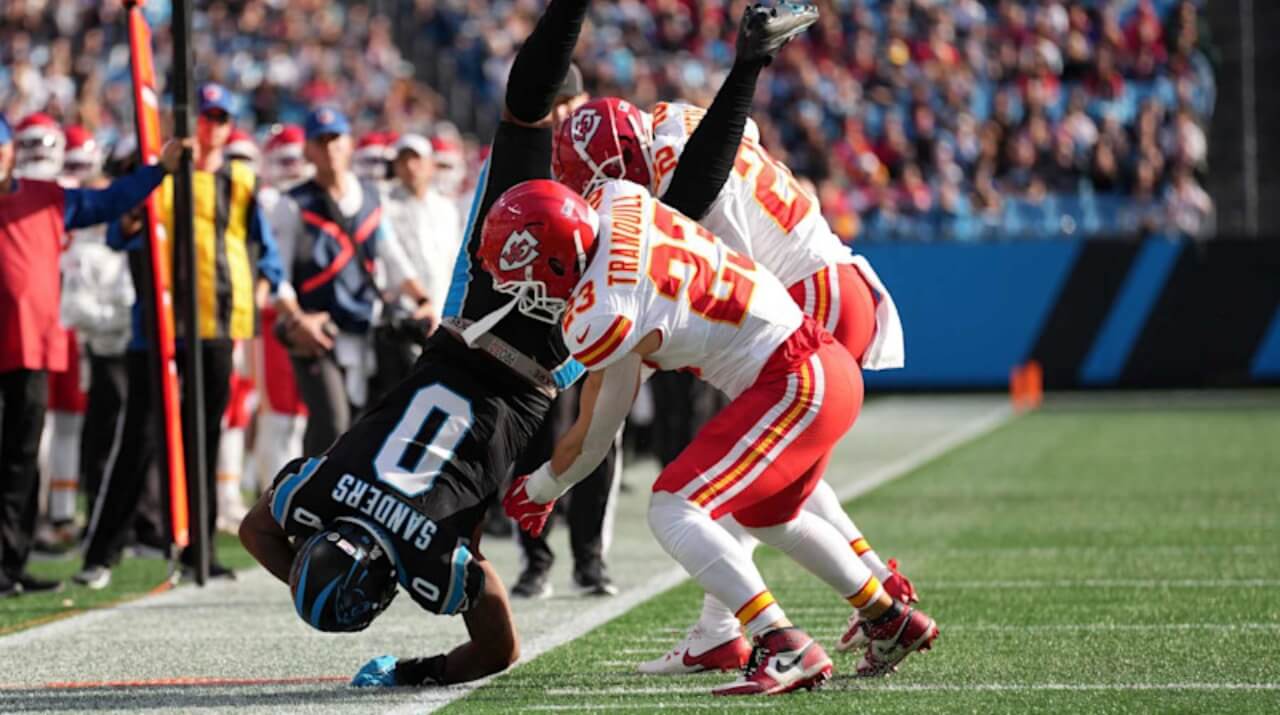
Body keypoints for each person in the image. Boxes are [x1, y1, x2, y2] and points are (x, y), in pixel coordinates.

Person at [237, 0, 598, 687]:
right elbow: (256, 529)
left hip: (538, 368)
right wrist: (306, 567)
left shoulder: (433, 559)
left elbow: (499, 650)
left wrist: (412, 669)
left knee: (659, 232)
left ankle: (745, 73)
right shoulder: (315, 494)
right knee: (524, 119)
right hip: (472, 323)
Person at [552, 56, 915, 676]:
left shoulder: (659, 197)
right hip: (831, 274)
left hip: (808, 299)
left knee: (740, 486)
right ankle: (872, 596)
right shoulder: (675, 122)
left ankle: (737, 630)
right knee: (767, 491)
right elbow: (750, 146)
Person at [76, 83, 285, 588]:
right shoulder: (157, 175)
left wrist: (258, 289)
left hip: (218, 325)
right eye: (200, 116)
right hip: (160, 327)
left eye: (217, 116)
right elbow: (116, 233)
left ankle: (200, 551)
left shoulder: (240, 180)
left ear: (228, 125)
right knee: (140, 437)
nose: (207, 126)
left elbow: (266, 253)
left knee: (205, 438)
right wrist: (146, 191)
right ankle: (102, 553)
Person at [0, 114, 186, 597]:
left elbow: (108, 202)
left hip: (31, 344)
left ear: (10, 153)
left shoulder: (47, 197)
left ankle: (10, 564)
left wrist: (157, 172)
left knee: (23, 457)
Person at [507, 65, 623, 600]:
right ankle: (536, 557)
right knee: (534, 438)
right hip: (542, 322)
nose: (557, 118)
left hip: (598, 316)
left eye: (567, 105)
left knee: (598, 436)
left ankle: (590, 559)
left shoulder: (608, 164)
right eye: (551, 107)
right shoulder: (526, 161)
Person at [268, 108, 432, 457]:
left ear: (349, 143)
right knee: (330, 423)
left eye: (335, 138)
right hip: (317, 331)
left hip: (365, 325)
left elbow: (392, 256)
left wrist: (422, 300)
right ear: (308, 150)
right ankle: (300, 504)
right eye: (320, 140)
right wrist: (298, 317)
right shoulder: (293, 204)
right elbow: (276, 274)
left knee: (366, 426)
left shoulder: (372, 198)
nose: (329, 148)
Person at [375, 133, 460, 391]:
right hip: (405, 320)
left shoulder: (446, 208)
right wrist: (421, 301)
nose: (410, 167)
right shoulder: (384, 206)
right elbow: (392, 257)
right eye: (403, 160)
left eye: (417, 159)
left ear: (431, 164)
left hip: (444, 322)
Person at [252, 124, 311, 496]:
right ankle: (275, 496)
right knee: (279, 414)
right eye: (283, 158)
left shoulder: (309, 199)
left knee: (302, 416)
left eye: (296, 158)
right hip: (276, 313)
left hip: (310, 312)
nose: (292, 167)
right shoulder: (266, 201)